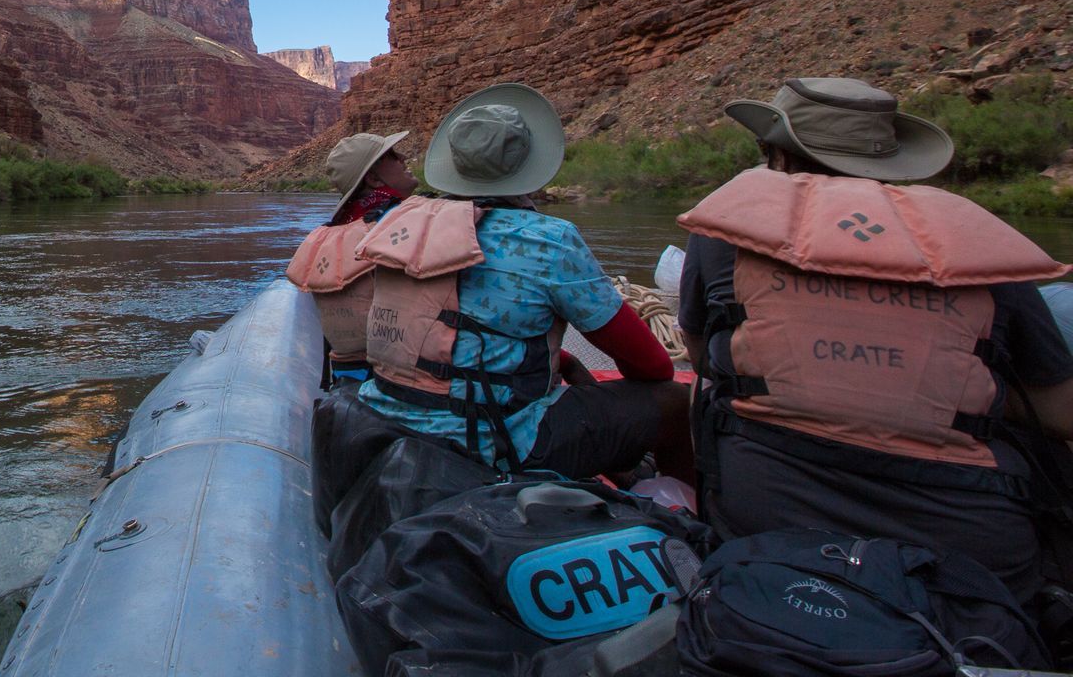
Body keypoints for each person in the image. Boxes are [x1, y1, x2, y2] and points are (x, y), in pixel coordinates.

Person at [677, 76, 1073, 609]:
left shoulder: (725, 232)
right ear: (893, 161)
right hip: (975, 542)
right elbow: (1061, 414)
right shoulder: (976, 247)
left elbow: (703, 360)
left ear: (775, 155)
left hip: (764, 503)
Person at [356, 83, 689, 479]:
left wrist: (558, 362)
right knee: (674, 399)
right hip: (496, 445)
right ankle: (684, 508)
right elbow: (652, 366)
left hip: (386, 423)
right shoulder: (549, 240)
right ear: (529, 166)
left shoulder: (400, 227)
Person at [286, 130, 414, 384]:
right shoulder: (407, 224)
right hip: (406, 382)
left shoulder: (336, 230)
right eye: (391, 155)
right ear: (374, 179)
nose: (403, 157)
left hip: (352, 381)